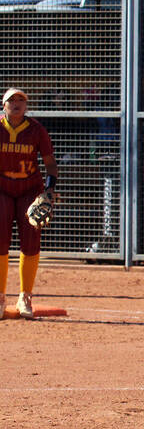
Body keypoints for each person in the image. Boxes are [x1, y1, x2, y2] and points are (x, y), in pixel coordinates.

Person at [1, 88, 59, 320]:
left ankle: (25, 296)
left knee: (31, 241)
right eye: (11, 101)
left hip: (29, 190)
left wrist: (49, 190)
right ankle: (0, 297)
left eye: (21, 101)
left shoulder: (36, 130)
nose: (16, 104)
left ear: (26, 105)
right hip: (2, 189)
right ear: (3, 105)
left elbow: (50, 163)